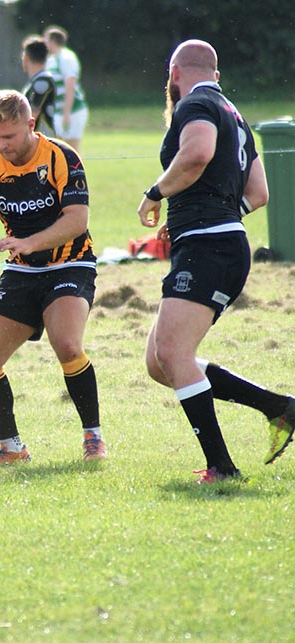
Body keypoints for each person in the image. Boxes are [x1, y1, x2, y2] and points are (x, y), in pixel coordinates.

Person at [137, 39, 294, 482]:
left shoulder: (194, 104)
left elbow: (198, 153)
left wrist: (156, 193)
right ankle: (278, 407)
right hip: (219, 240)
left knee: (172, 352)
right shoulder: (234, 114)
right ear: (217, 73)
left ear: (174, 73)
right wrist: (206, 215)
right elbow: (258, 193)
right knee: (158, 362)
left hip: (209, 246)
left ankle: (221, 467)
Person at [0, 89, 105, 465]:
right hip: (21, 270)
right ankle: (12, 447)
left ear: (30, 125)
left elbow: (76, 220)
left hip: (71, 264)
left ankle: (93, 437)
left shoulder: (61, 156)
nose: (2, 145)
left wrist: (29, 242)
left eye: (10, 137)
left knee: (66, 343)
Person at [44, 26, 87, 152]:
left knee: (71, 149)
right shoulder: (51, 60)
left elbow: (70, 85)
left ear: (52, 41)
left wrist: (66, 113)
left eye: (45, 40)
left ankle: (76, 172)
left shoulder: (67, 58)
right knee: (57, 149)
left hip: (73, 110)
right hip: (57, 112)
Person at [20, 35, 56, 136]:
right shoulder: (36, 81)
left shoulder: (43, 80)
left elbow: (33, 111)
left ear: (26, 57)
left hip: (42, 140)